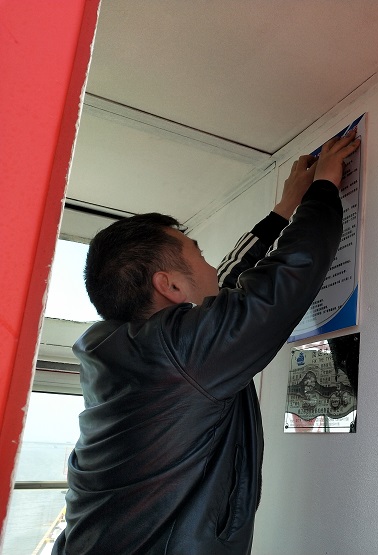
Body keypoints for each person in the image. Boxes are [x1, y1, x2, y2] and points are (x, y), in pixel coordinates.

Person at [52, 131, 360, 554]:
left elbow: (228, 285)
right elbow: (287, 278)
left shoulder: (132, 351)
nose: (210, 265)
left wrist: (284, 209)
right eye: (198, 254)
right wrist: (324, 188)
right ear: (170, 285)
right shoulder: (180, 351)